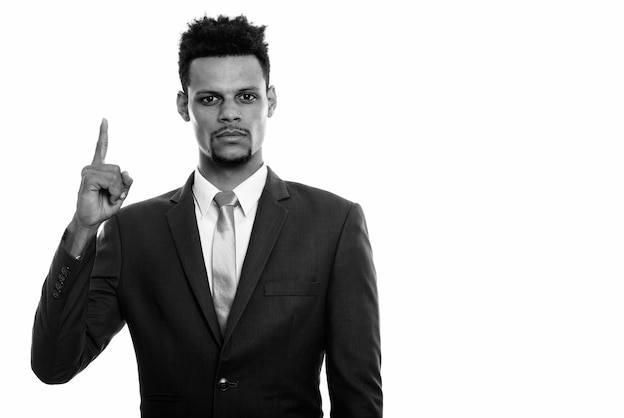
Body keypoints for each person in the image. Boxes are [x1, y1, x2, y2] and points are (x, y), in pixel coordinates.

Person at [31, 15, 382, 418]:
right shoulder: (133, 233)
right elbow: (53, 365)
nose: (230, 113)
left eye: (246, 97)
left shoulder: (334, 225)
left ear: (271, 100)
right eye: (210, 98)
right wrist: (82, 231)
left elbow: (359, 400)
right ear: (184, 105)